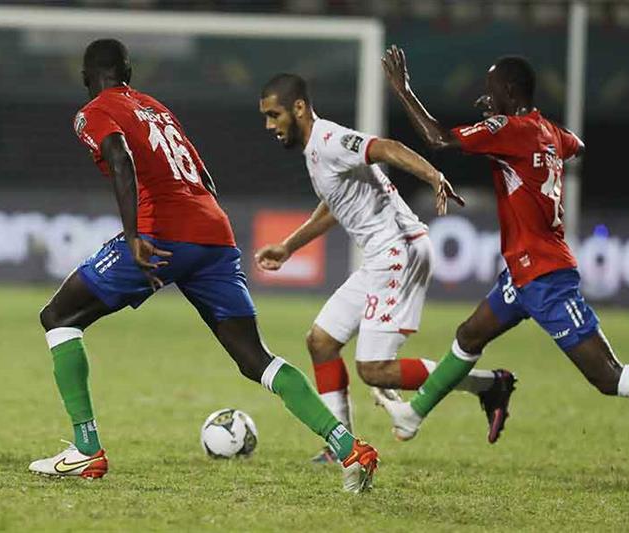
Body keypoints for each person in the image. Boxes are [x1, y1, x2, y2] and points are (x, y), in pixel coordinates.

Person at [28, 39, 378, 493]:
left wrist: (134, 235)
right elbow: (203, 175)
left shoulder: (92, 112)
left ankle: (86, 450)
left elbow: (119, 157)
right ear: (129, 71)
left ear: (85, 77)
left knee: (58, 317)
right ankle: (350, 447)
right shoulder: (157, 108)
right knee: (256, 359)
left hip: (160, 234)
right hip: (214, 233)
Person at [374, 46, 629, 440]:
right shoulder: (547, 132)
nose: (485, 97)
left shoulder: (510, 130)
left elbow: (437, 138)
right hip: (521, 274)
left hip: (544, 277)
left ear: (510, 91)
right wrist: (535, 143)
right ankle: (413, 415)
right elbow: (577, 146)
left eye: (490, 89)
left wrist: (402, 90)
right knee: (470, 334)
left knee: (608, 376)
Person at [256, 73, 517, 462]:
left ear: (298, 108)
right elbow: (335, 204)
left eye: (274, 114)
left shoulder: (329, 140)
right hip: (381, 256)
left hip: (399, 251)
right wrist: (290, 246)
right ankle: (338, 445)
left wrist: (433, 176)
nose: (269, 125)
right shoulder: (314, 151)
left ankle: (488, 386)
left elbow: (386, 147)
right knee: (321, 341)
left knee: (375, 370)